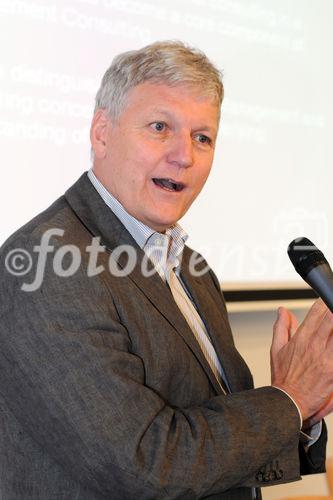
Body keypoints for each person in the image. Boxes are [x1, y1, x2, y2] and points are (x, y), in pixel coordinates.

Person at [0, 40, 333, 500]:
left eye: (203, 137)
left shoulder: (192, 267)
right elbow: (145, 466)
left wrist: (300, 411)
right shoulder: (43, 265)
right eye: (160, 127)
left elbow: (221, 444)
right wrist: (288, 400)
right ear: (101, 132)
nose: (185, 156)